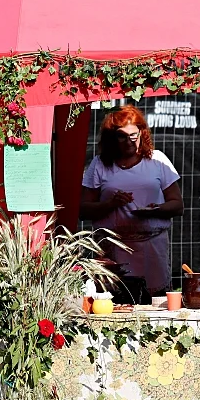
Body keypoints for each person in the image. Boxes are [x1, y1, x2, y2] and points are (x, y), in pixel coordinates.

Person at [81, 106, 184, 297]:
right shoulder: (100, 164)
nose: (129, 141)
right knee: (114, 303)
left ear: (142, 133)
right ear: (111, 138)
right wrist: (110, 204)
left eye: (134, 135)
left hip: (151, 247)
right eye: (122, 136)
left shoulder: (158, 160)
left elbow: (178, 205)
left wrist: (156, 210)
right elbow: (83, 210)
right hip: (113, 249)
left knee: (155, 302)